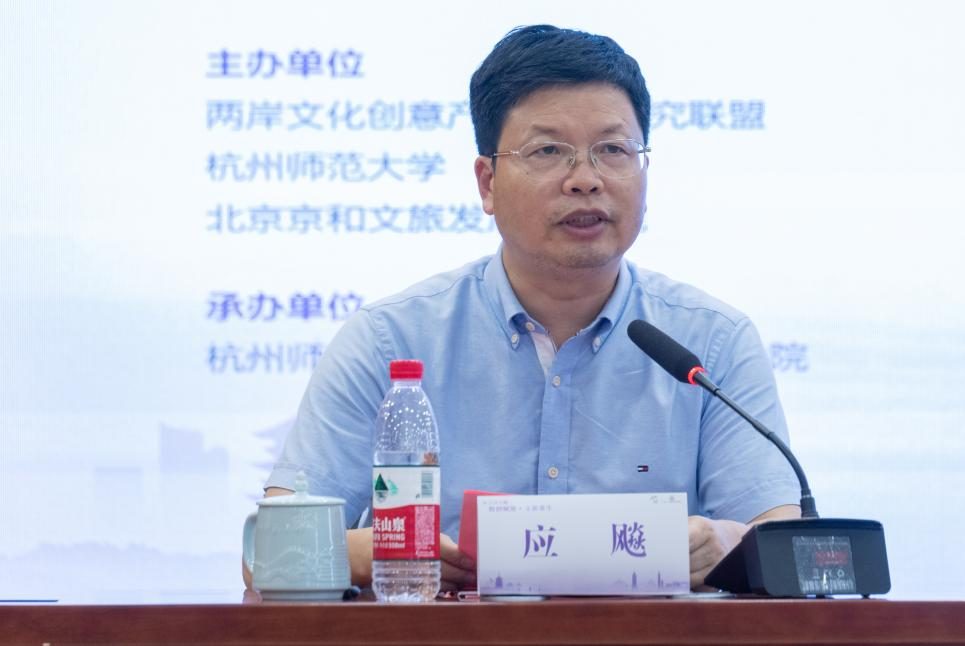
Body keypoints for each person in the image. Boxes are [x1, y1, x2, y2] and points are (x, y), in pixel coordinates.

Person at [252, 24, 799, 593]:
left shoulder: (711, 342)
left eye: (613, 150)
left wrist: (726, 542)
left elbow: (785, 543)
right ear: (487, 183)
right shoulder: (390, 340)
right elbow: (268, 552)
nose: (585, 180)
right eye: (548, 151)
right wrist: (376, 551)